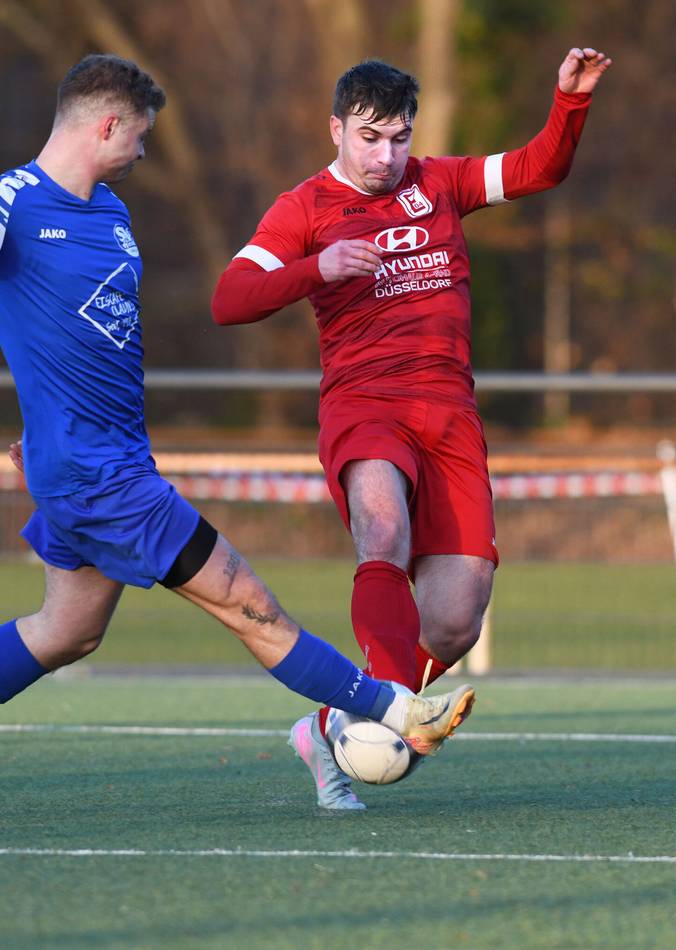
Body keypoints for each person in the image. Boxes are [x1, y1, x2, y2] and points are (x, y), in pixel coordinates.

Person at [0, 54, 476, 786]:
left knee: (67, 631)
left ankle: (378, 709)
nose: (144, 151)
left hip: (100, 460)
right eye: (142, 137)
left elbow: (76, 341)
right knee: (250, 606)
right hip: (102, 479)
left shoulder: (110, 212)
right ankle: (392, 710)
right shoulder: (13, 202)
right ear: (107, 125)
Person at [212, 47, 612, 809]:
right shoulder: (304, 208)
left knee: (457, 619)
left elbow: (538, 169)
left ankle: (335, 724)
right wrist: (318, 269)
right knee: (382, 527)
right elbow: (231, 299)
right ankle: (393, 712)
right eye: (369, 137)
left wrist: (569, 103)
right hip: (365, 404)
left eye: (398, 137)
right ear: (335, 129)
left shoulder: (441, 182)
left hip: (449, 413)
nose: (386, 155)